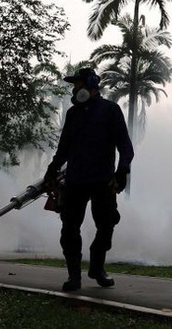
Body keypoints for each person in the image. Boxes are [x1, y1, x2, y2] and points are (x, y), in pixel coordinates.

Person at [44, 67, 134, 291]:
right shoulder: (73, 114)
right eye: (74, 85)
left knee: (107, 225)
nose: (75, 89)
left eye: (78, 84)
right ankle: (74, 277)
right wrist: (52, 170)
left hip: (103, 181)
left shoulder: (110, 110)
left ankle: (97, 266)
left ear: (91, 85)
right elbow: (63, 148)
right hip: (75, 182)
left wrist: (122, 171)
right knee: (69, 230)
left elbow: (126, 147)